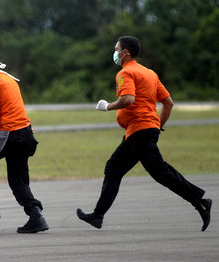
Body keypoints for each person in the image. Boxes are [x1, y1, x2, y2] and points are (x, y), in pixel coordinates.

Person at [76, 36, 212, 231]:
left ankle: (200, 201)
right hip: (141, 131)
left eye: (116, 49)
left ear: (125, 53)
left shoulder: (126, 73)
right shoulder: (149, 74)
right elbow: (168, 103)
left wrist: (107, 107)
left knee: (159, 172)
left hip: (140, 131)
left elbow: (128, 99)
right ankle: (97, 216)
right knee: (116, 168)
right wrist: (157, 126)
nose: (115, 53)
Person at [0, 47, 49, 233]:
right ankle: (35, 215)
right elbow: (6, 108)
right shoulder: (7, 77)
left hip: (9, 135)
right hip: (25, 133)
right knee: (18, 180)